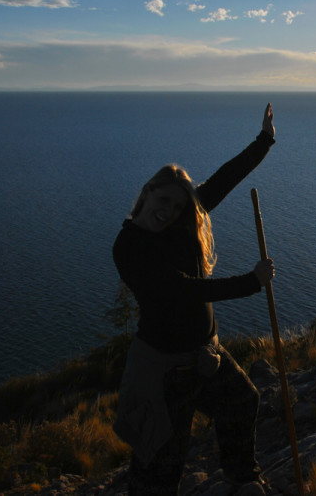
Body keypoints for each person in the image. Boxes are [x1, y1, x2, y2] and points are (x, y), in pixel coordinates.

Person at [112, 103, 277, 495]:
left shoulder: (180, 222)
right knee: (161, 462)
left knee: (241, 402)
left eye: (178, 205)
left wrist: (265, 141)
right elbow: (183, 290)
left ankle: (242, 481)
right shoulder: (130, 248)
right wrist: (251, 281)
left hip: (204, 354)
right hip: (165, 370)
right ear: (147, 193)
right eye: (164, 201)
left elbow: (225, 178)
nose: (169, 212)